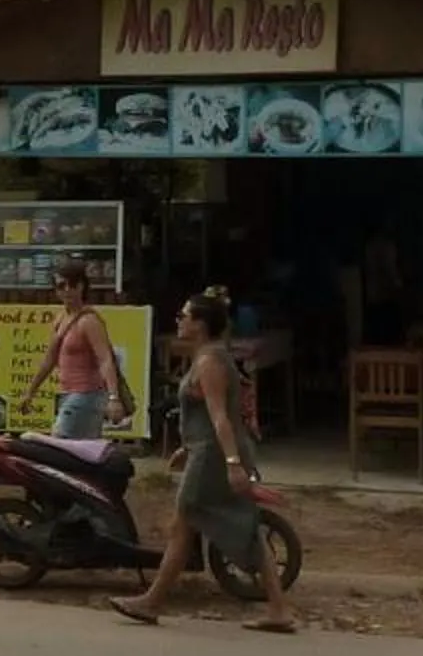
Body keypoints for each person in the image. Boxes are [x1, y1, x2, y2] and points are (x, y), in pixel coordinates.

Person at [114, 287, 296, 633]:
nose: (178, 320)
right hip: (207, 450)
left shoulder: (211, 360)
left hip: (215, 455)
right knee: (236, 526)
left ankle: (152, 601)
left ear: (200, 324)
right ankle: (278, 609)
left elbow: (220, 417)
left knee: (186, 523)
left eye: (184, 315)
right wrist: (188, 446)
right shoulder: (208, 355)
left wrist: (230, 462)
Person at [23, 262, 130, 440]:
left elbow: (105, 359)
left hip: (86, 395)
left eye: (72, 285)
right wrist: (30, 392)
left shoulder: (89, 321)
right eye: (60, 286)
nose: (67, 290)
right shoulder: (61, 318)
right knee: (80, 453)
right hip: (69, 394)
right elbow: (49, 360)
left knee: (59, 445)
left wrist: (113, 397)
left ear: (81, 286)